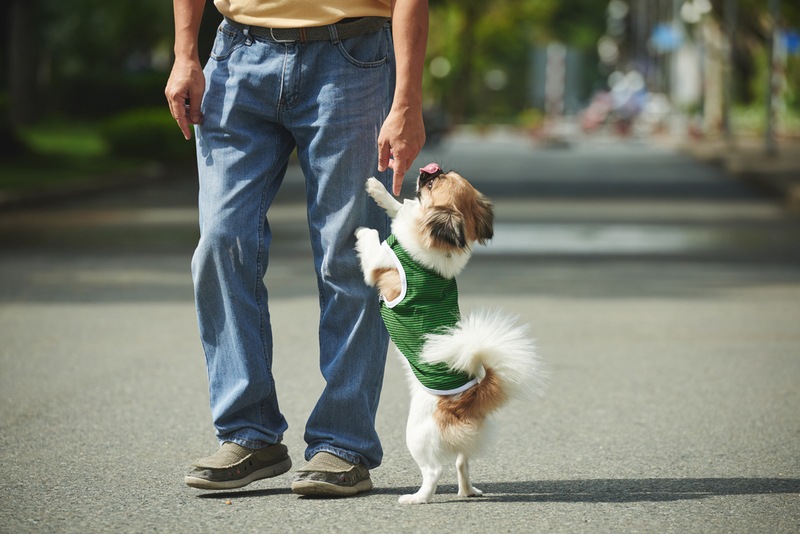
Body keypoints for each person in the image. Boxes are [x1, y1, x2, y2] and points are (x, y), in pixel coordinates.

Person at [165, 0, 428, 497]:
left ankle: (344, 443)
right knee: (222, 241)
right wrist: (185, 55)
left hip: (352, 58)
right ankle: (249, 434)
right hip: (237, 56)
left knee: (349, 256)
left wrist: (407, 101)